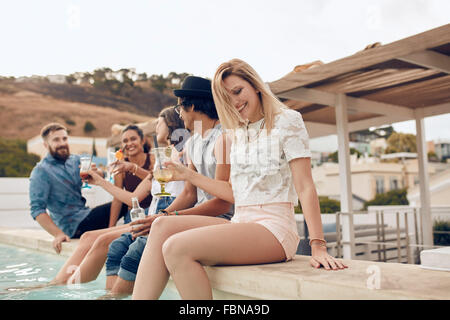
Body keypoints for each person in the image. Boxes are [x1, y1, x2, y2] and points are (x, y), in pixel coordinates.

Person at [132, 59, 347, 300]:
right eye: (227, 98)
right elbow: (232, 192)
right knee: (161, 226)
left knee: (176, 248)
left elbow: (305, 186)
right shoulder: (235, 133)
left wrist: (318, 245)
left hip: (274, 228)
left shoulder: (287, 120)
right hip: (240, 221)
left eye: (238, 91)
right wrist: (187, 175)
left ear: (255, 85)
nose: (235, 102)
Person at [92, 77, 234, 298]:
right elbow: (189, 193)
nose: (179, 113)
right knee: (150, 231)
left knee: (149, 237)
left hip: (225, 219)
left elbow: (223, 202)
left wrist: (172, 215)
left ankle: (116, 296)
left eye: (180, 107)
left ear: (193, 106)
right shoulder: (194, 142)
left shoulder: (223, 139)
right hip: (200, 217)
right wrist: (165, 214)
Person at [26, 123, 153, 287]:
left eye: (64, 138)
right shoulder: (41, 171)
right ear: (45, 144)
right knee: (121, 202)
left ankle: (62, 283)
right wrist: (57, 234)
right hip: (71, 225)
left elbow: (100, 174)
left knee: (119, 203)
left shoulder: (75, 161)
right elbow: (37, 209)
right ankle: (58, 283)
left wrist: (98, 173)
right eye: (56, 140)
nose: (62, 143)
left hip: (85, 215)